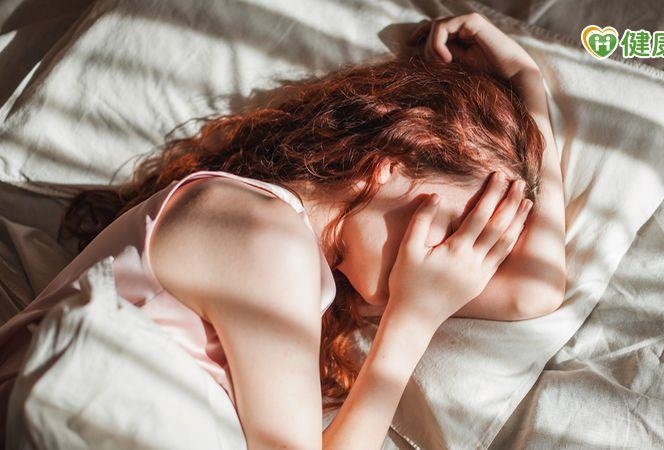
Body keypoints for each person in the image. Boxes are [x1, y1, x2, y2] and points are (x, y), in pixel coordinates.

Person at [0, 12, 565, 449]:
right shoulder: (260, 233)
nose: (448, 257)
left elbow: (534, 288)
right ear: (386, 167)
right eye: (457, 228)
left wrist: (528, 85)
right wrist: (412, 319)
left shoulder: (318, 262)